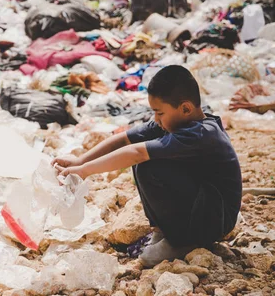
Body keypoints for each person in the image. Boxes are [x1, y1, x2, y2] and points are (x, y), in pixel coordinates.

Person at [54, 65, 242, 267]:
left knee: (148, 166)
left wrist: (84, 171)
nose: (156, 119)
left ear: (185, 108)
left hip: (216, 219)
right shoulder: (177, 121)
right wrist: (80, 161)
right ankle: (166, 232)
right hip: (205, 206)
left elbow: (135, 153)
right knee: (145, 161)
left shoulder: (201, 134)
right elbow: (124, 139)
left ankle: (183, 241)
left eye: (159, 113)